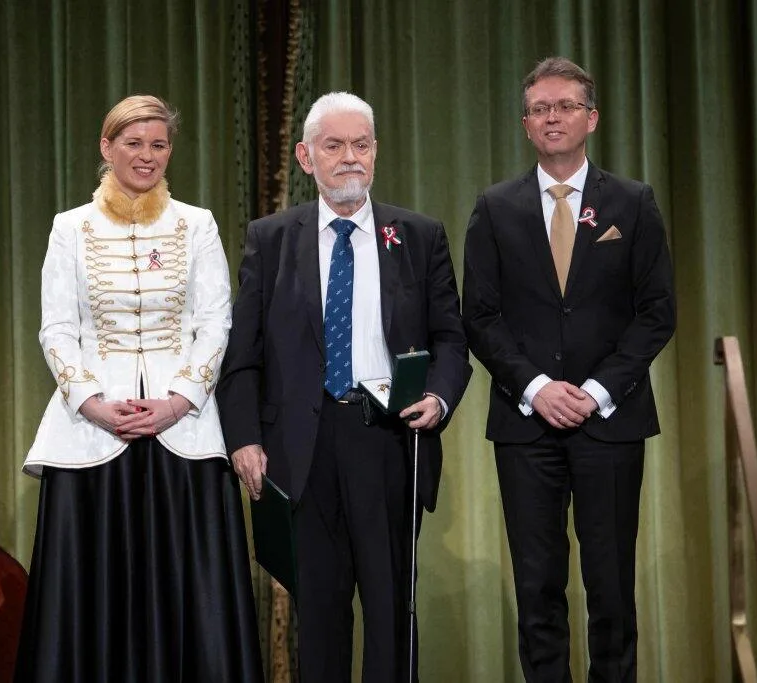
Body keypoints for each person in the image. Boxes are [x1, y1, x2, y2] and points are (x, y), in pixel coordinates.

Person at [217, 92, 470, 682]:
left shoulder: (419, 235)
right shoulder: (270, 239)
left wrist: (438, 397)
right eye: (334, 146)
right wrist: (245, 438)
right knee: (321, 617)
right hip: (302, 450)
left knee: (391, 612)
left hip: (388, 438)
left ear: (376, 151)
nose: (350, 157)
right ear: (306, 157)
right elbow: (243, 354)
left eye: (361, 144)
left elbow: (451, 339)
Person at [15, 95, 263, 682]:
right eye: (133, 143)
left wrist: (178, 401)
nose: (147, 155)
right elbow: (56, 327)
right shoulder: (69, 228)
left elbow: (216, 322)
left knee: (190, 591)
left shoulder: (197, 224)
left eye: (158, 144)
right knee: (92, 592)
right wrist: (93, 404)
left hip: (185, 432)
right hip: (92, 432)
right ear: (107, 148)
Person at [462, 57, 676, 682]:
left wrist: (598, 389)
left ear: (592, 118)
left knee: (611, 588)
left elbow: (657, 312)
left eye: (565, 106)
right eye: (539, 109)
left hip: (610, 422)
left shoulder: (632, 202)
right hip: (527, 426)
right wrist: (535, 387)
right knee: (538, 590)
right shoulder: (495, 207)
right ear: (526, 124)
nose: (552, 117)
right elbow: (480, 315)